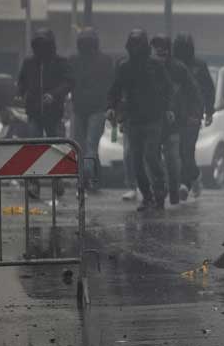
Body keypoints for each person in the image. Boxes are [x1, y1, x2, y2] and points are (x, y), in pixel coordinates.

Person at [107, 29, 173, 211]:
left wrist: (166, 108)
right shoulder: (124, 67)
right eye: (133, 44)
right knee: (136, 161)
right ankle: (147, 196)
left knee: (151, 156)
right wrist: (111, 107)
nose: (136, 48)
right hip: (134, 119)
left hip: (153, 118)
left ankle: (159, 193)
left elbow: (168, 88)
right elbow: (115, 89)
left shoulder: (155, 66)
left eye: (139, 44)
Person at [17, 28, 73, 199]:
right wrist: (21, 93)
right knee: (34, 147)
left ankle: (57, 179)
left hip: (54, 112)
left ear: (50, 45)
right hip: (34, 111)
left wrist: (54, 95)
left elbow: (69, 82)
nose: (41, 48)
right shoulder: (29, 62)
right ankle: (34, 183)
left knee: (55, 147)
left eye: (44, 44)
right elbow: (22, 81)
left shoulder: (60, 61)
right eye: (38, 44)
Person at [151, 35, 202, 206]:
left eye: (164, 48)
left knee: (178, 155)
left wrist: (196, 113)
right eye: (157, 47)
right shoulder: (146, 67)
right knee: (152, 156)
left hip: (180, 119)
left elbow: (196, 91)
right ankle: (159, 190)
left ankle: (177, 189)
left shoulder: (180, 68)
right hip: (153, 120)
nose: (161, 51)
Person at [70, 28, 114, 192]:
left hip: (90, 108)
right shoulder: (105, 60)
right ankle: (90, 177)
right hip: (92, 107)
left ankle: (86, 177)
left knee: (83, 145)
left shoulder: (75, 60)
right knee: (89, 145)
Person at [172, 34, 215, 199]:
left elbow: (209, 90)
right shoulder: (172, 66)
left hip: (193, 114)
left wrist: (209, 111)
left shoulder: (199, 66)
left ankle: (185, 184)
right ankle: (195, 176)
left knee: (187, 150)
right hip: (175, 114)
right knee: (178, 151)